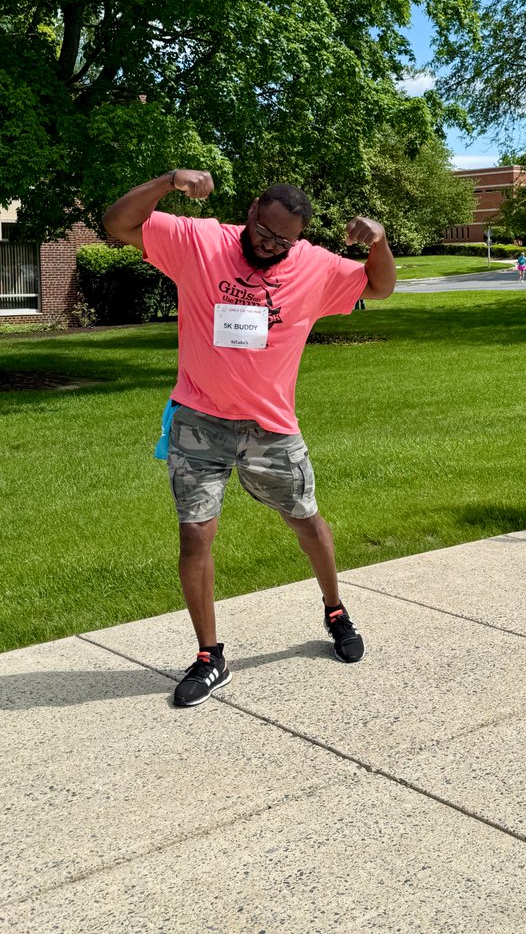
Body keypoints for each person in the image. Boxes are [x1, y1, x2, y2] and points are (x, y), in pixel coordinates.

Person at [103, 170, 396, 706]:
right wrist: (169, 181)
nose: (269, 245)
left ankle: (335, 609)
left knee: (307, 523)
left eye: (283, 241)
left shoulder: (315, 266)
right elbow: (118, 223)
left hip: (271, 427)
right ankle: (210, 656)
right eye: (264, 232)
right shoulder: (200, 241)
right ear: (252, 211)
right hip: (199, 420)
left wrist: (379, 241)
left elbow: (379, 286)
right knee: (195, 534)